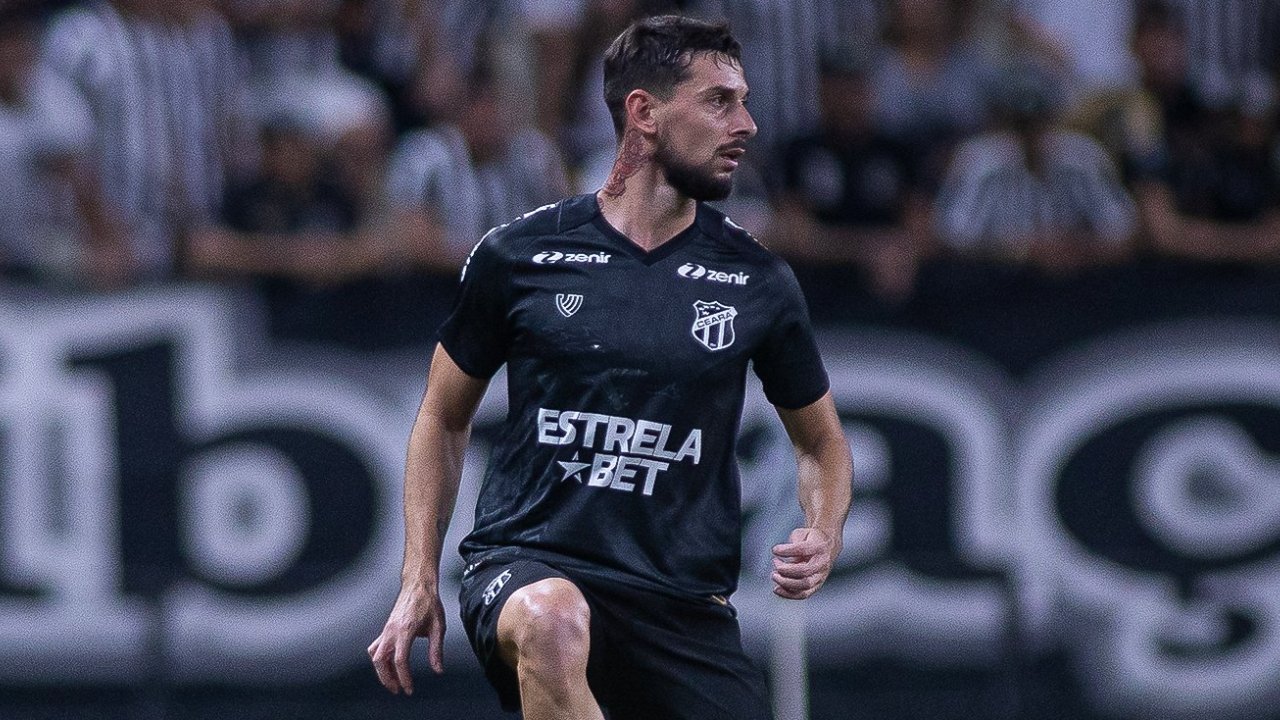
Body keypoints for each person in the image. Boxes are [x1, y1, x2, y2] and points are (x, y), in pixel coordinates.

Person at [368, 14, 852, 719]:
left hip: (681, 606)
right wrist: (417, 579)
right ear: (644, 113)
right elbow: (443, 417)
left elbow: (821, 442)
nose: (745, 123)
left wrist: (824, 526)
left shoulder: (757, 281)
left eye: (744, 101)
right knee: (552, 622)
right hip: (530, 566)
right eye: (719, 101)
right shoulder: (520, 255)